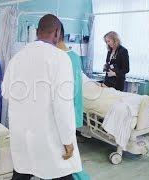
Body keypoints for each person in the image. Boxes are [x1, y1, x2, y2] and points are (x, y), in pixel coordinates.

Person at [2, 14, 82, 180]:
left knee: (22, 172)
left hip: (21, 134)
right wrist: (68, 140)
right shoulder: (61, 59)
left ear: (37, 32)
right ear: (57, 33)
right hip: (48, 137)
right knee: (59, 172)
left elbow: (6, 93)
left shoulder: (16, 58)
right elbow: (63, 105)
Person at [57, 23, 90, 180]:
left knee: (63, 148)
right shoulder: (75, 56)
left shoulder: (59, 57)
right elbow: (77, 88)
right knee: (69, 146)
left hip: (63, 110)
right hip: (72, 109)